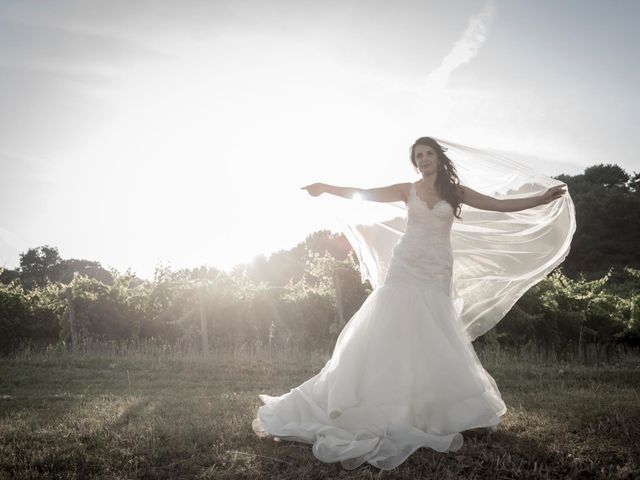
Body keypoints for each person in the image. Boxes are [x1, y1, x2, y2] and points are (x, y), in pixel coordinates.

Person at [252, 137, 570, 471]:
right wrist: (327, 187)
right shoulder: (408, 189)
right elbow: (365, 192)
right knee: (391, 326)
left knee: (432, 332)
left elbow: (497, 205)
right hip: (405, 265)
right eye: (419, 155)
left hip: (437, 269)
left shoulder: (455, 192)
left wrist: (540, 199)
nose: (424, 159)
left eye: (429, 153)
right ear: (415, 161)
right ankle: (380, 399)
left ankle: (430, 408)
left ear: (438, 157)